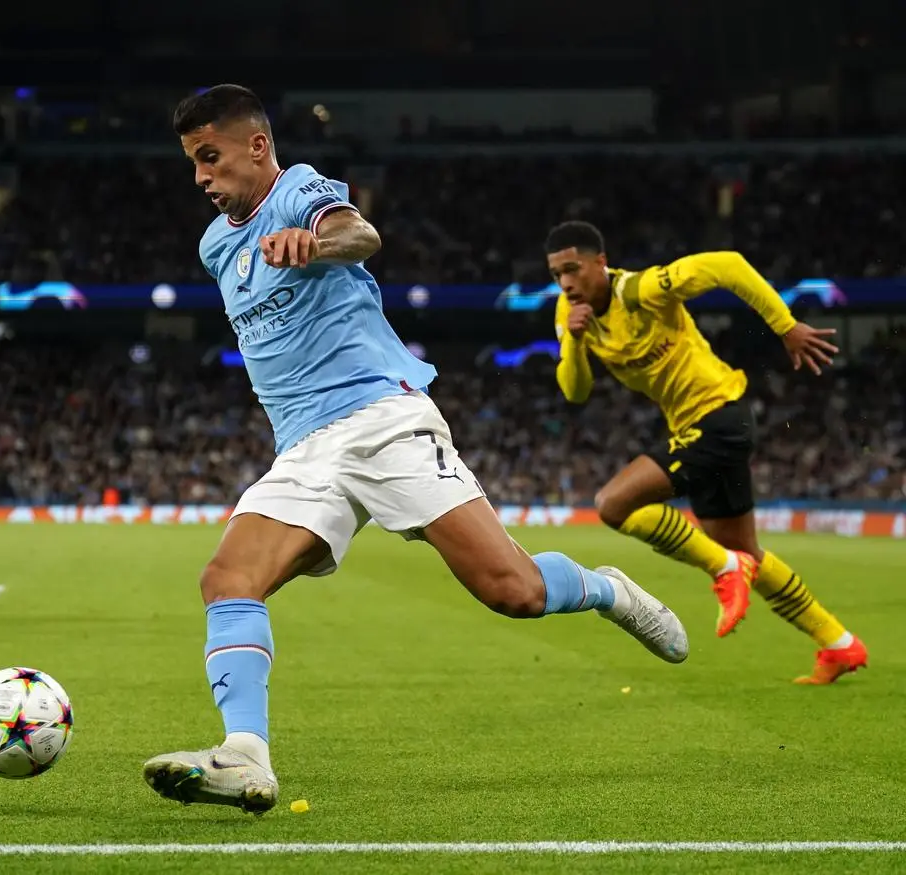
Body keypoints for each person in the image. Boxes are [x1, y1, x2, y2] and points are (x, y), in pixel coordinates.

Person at [141, 85, 689, 815]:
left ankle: (606, 587)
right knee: (227, 578)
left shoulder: (300, 190)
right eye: (192, 163)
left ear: (258, 147)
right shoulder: (215, 245)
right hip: (304, 447)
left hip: (381, 419)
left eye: (211, 157)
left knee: (513, 592)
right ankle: (245, 756)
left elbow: (359, 235)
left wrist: (315, 241)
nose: (202, 177)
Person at [545, 220, 866, 684]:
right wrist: (573, 342)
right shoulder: (569, 313)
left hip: (719, 418)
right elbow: (574, 392)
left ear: (600, 261)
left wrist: (786, 326)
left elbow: (728, 266)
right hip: (699, 429)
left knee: (613, 504)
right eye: (557, 273)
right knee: (745, 549)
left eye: (573, 269)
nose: (566, 282)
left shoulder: (645, 288)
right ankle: (838, 644)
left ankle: (724, 568)